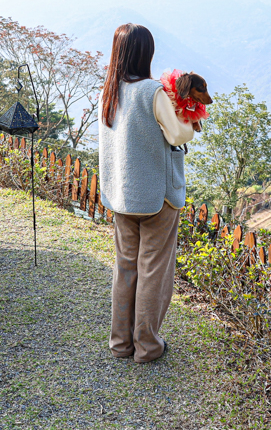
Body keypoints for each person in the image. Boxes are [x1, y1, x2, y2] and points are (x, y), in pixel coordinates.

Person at [99, 23, 194, 363]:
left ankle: (120, 344)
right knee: (153, 270)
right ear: (146, 53)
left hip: (121, 196)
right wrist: (189, 119)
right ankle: (147, 347)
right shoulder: (151, 91)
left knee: (125, 269)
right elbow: (178, 135)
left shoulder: (108, 91)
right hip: (157, 198)